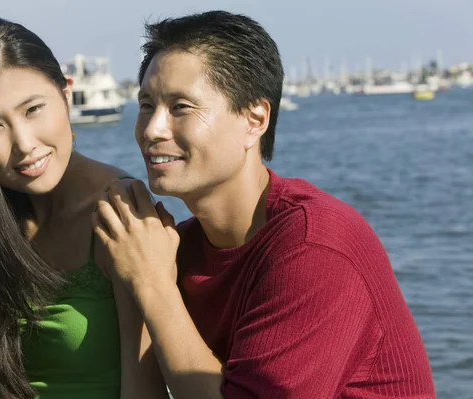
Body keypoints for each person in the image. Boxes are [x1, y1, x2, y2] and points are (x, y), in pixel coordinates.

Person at [92, 10, 436, 399]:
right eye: (146, 105)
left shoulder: (315, 247)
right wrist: (135, 283)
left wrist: (151, 284)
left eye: (181, 107)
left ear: (255, 120)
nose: (152, 129)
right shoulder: (170, 248)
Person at [0, 18, 167, 399]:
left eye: (33, 109)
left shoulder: (121, 213)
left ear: (66, 95)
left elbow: (144, 388)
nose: (24, 144)